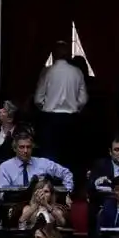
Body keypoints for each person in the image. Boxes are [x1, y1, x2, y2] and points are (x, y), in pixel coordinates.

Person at [32, 40, 87, 169]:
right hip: (71, 119)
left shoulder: (47, 72)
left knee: (49, 156)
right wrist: (75, 107)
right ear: (68, 54)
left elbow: (38, 99)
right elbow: (83, 99)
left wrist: (46, 107)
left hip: (50, 119)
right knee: (69, 155)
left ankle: (49, 185)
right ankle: (69, 186)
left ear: (54, 54)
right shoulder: (77, 72)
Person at [0, 132, 73, 190]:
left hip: (43, 204)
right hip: (16, 205)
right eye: (21, 147)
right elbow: (3, 192)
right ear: (15, 149)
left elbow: (66, 173)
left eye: (28, 147)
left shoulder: (43, 163)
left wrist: (67, 192)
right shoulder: (5, 167)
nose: (25, 151)